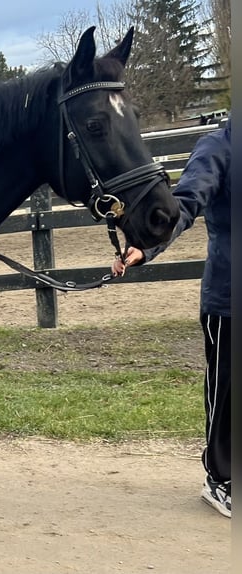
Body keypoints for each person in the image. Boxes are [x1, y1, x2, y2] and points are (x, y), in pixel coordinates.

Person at [112, 118, 231, 518]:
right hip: (230, 299)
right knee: (228, 394)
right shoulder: (219, 147)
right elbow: (184, 206)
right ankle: (221, 479)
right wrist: (147, 247)